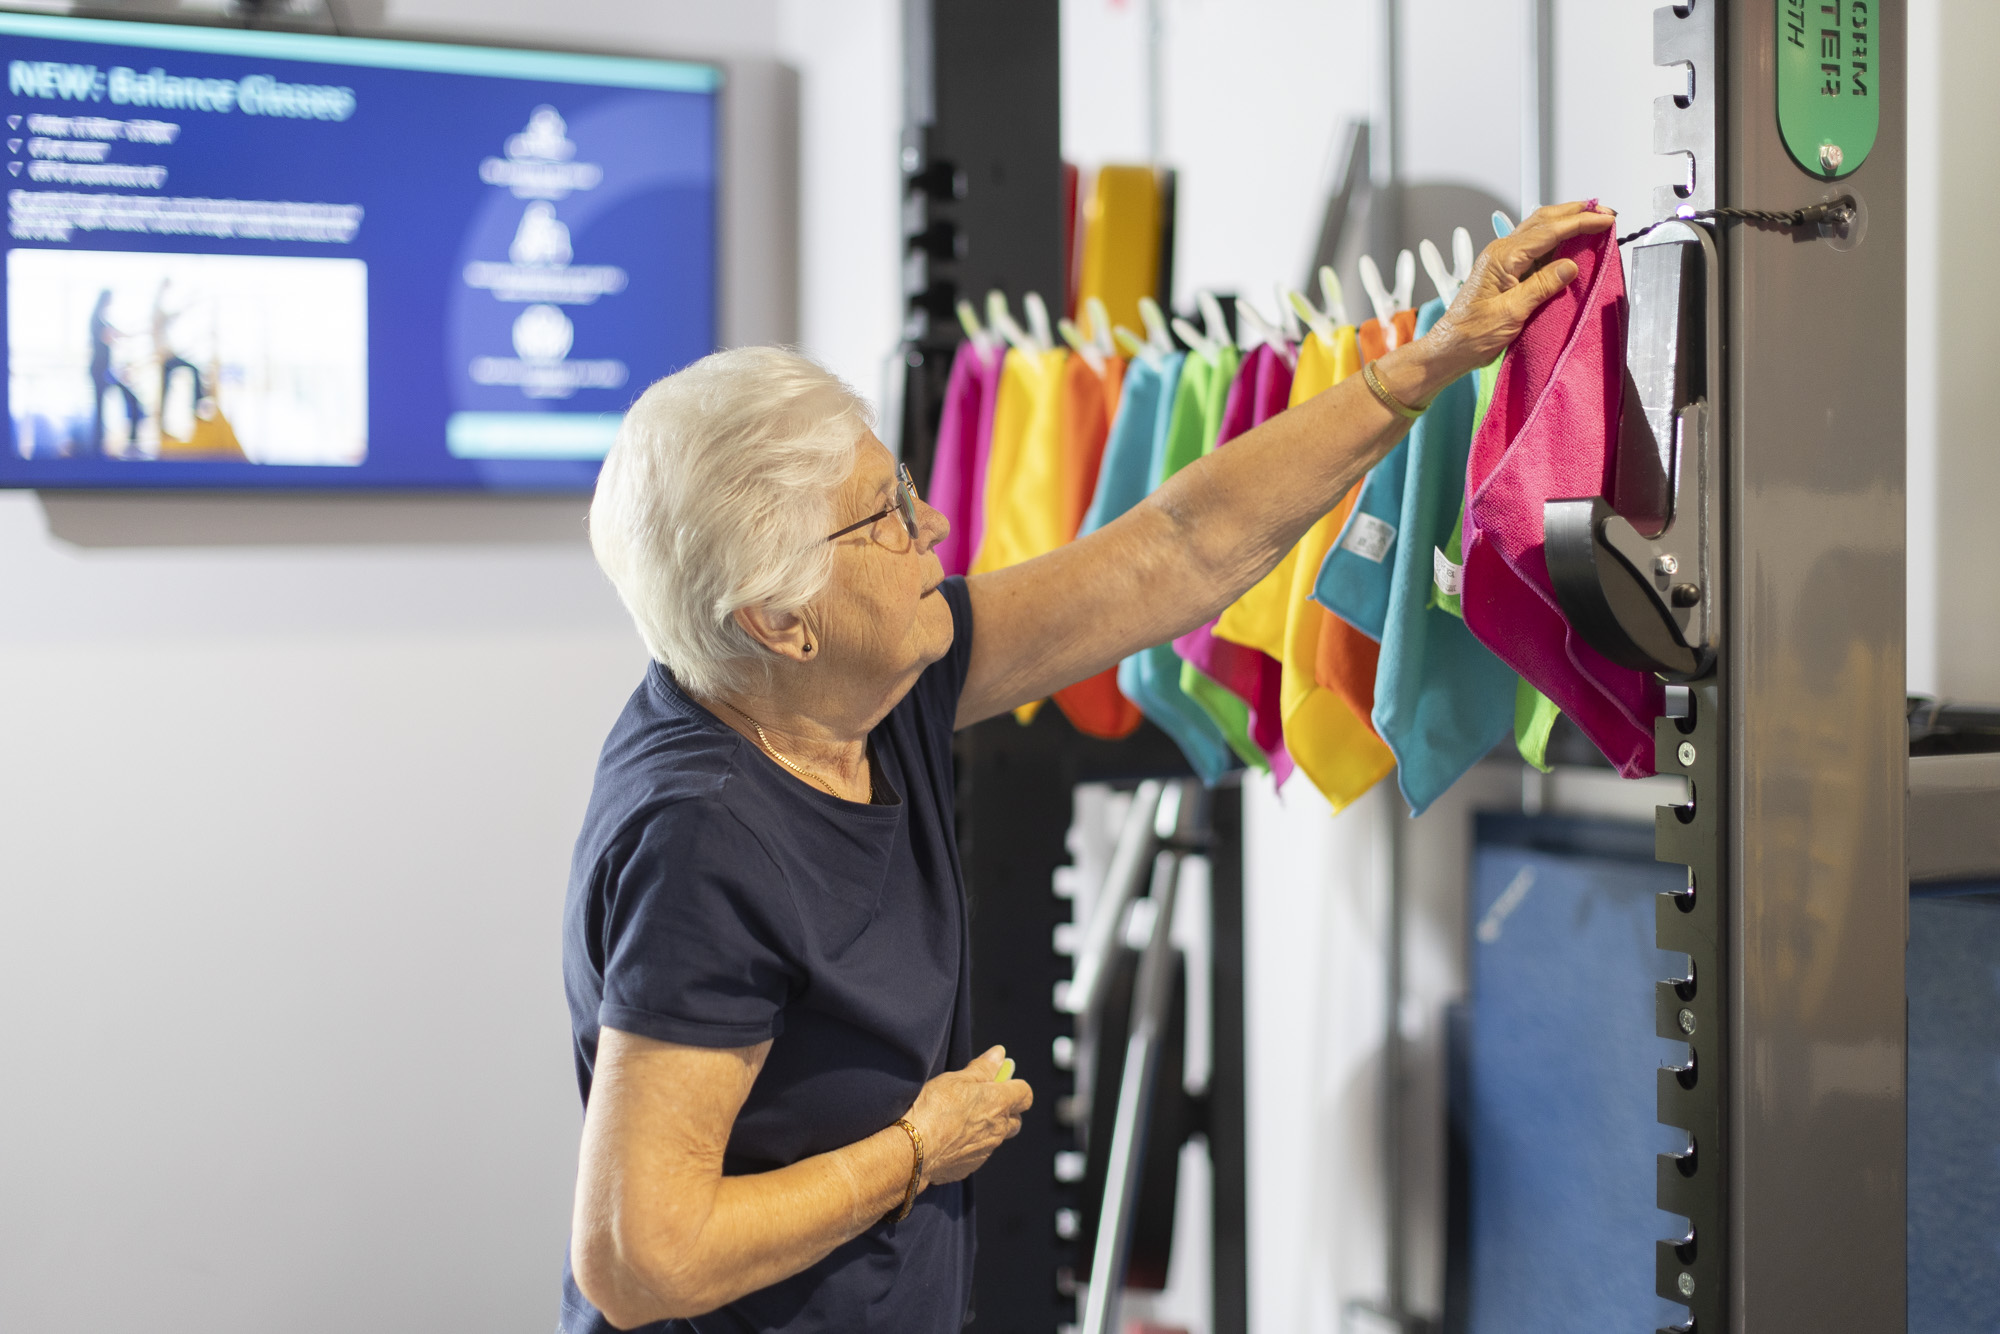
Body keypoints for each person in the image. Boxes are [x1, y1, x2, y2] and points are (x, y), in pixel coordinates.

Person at [563, 202, 1616, 1333]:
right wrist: (917, 1148)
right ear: (777, 619)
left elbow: (1176, 547)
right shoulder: (701, 839)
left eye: (903, 484)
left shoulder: (866, 683)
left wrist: (1423, 364)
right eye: (882, 516)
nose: (933, 523)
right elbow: (639, 1258)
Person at [86, 289, 145, 458]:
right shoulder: (96, 320)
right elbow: (109, 337)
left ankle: (132, 442)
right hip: (99, 371)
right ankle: (96, 450)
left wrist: (137, 333)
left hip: (107, 370)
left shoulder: (103, 320)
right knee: (99, 409)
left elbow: (117, 335)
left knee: (131, 399)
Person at [152, 278, 205, 430]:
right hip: (165, 357)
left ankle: (163, 425)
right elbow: (171, 315)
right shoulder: (157, 309)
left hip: (166, 355)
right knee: (193, 370)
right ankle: (197, 406)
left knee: (166, 391)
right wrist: (189, 300)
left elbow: (173, 316)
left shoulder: (159, 311)